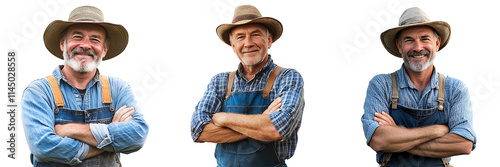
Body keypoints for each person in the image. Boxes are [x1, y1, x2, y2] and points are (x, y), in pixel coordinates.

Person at [21, 6, 148, 166]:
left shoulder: (118, 89)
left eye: (95, 39)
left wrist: (70, 130)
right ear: (62, 43)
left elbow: (137, 135)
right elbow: (43, 146)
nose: (86, 45)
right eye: (77, 37)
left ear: (104, 49)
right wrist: (111, 136)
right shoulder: (39, 92)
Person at [190, 5, 305, 167]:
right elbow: (198, 131)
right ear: (232, 45)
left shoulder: (287, 77)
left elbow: (276, 130)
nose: (248, 43)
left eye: (255, 34)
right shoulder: (219, 81)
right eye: (240, 37)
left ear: (269, 40)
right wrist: (262, 122)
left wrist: (223, 118)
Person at [361, 7, 476, 167]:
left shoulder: (455, 89)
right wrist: (437, 130)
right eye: (409, 40)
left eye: (424, 39)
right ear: (399, 46)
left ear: (436, 43)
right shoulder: (382, 84)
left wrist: (396, 135)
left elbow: (464, 144)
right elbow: (378, 140)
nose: (417, 47)